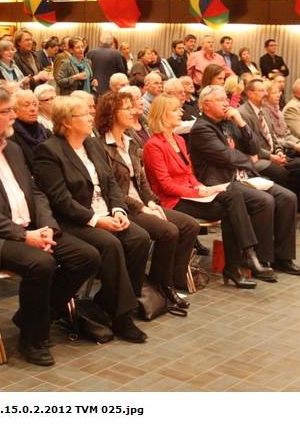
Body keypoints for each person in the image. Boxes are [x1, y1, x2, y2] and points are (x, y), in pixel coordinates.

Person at [0, 86, 100, 366]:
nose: (14, 116)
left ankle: (31, 318)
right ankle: (33, 339)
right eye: (7, 111)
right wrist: (23, 235)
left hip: (29, 230)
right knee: (41, 263)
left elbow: (35, 193)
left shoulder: (12, 148)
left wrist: (48, 226)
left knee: (86, 256)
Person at [31, 94, 150, 343]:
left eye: (89, 112)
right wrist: (96, 220)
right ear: (66, 122)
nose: (90, 117)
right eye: (84, 114)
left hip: (106, 213)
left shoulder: (92, 143)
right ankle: (122, 317)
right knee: (110, 244)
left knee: (139, 238)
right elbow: (60, 200)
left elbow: (110, 183)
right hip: (74, 220)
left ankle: (107, 302)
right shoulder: (49, 150)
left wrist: (118, 210)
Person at [143, 93, 275, 289]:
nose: (180, 112)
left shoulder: (178, 140)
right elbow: (165, 185)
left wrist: (201, 187)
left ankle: (240, 260)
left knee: (234, 200)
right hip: (172, 201)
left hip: (190, 194)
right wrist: (198, 193)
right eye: (174, 110)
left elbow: (188, 174)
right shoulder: (153, 146)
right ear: (162, 114)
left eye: (179, 108)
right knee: (233, 205)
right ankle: (241, 260)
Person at [189, 85, 300, 276]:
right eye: (220, 100)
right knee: (264, 201)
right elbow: (227, 157)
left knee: (288, 197)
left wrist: (241, 122)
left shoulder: (228, 122)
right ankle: (260, 258)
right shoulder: (202, 128)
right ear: (206, 104)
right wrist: (250, 160)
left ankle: (283, 258)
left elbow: (254, 148)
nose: (225, 103)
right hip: (222, 182)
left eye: (226, 99)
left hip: (244, 176)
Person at [95, 91, 199, 306]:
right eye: (127, 108)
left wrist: (150, 201)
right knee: (168, 231)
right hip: (122, 207)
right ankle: (162, 286)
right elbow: (111, 189)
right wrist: (142, 207)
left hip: (142, 203)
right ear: (112, 113)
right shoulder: (100, 146)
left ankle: (170, 281)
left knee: (190, 225)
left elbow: (141, 179)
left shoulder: (130, 141)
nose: (133, 111)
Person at [238, 79, 300, 196]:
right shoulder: (243, 113)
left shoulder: (264, 111)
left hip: (273, 155)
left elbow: (273, 137)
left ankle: (298, 202)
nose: (266, 94)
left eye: (266, 90)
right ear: (249, 93)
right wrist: (271, 157)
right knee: (282, 173)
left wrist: (279, 151)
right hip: (258, 158)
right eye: (261, 90)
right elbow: (249, 145)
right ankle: (285, 201)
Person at [8, 89, 51, 173]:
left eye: (35, 104)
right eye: (26, 105)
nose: (33, 109)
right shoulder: (10, 136)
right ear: (15, 111)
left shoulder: (46, 133)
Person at [263, 80, 300, 157]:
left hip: (287, 147)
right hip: (276, 151)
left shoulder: (278, 112)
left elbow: (287, 134)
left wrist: (298, 142)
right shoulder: (264, 113)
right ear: (266, 95)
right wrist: (294, 145)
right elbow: (274, 139)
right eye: (274, 93)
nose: (278, 95)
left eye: (279, 92)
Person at [86, 31, 125, 97]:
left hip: (93, 88)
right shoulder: (116, 54)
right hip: (110, 89)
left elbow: (87, 70)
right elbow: (121, 73)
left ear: (101, 41)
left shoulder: (90, 53)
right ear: (112, 42)